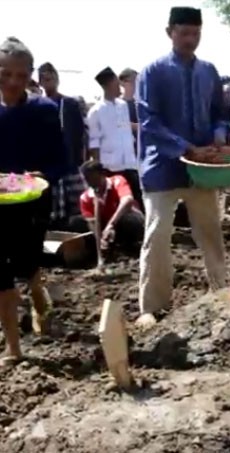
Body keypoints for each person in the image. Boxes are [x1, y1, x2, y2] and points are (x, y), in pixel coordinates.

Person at [136, 6, 228, 326]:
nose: (191, 39)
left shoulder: (209, 72)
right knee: (157, 234)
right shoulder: (153, 72)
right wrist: (187, 148)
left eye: (196, 33)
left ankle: (222, 293)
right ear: (170, 32)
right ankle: (152, 306)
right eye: (184, 33)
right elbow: (149, 122)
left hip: (202, 169)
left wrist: (218, 135)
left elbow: (220, 113)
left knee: (211, 231)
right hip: (161, 167)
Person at [0, 37, 71, 363]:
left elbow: (61, 160)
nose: (13, 82)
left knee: (25, 262)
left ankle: (36, 285)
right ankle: (13, 347)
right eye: (5, 74)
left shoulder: (43, 111)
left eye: (20, 75)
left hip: (32, 202)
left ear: (30, 76)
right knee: (2, 274)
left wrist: (41, 176)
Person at [38, 62, 86, 230]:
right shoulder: (37, 105)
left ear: (57, 80)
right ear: (40, 82)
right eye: (45, 79)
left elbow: (80, 133)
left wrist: (80, 158)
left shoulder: (70, 103)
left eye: (52, 78)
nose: (49, 82)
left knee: (78, 208)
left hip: (70, 164)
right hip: (48, 167)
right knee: (53, 212)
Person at [86, 67, 142, 207]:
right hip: (110, 167)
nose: (119, 86)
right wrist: (98, 170)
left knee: (137, 201)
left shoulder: (122, 106)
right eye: (116, 83)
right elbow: (94, 143)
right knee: (114, 204)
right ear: (108, 85)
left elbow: (126, 131)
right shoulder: (96, 111)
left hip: (130, 164)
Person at [77, 161, 144, 251]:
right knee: (77, 223)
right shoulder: (85, 198)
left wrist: (111, 224)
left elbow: (127, 200)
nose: (92, 183)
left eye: (95, 179)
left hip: (123, 221)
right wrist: (100, 239)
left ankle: (133, 246)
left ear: (103, 174)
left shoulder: (117, 181)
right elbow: (92, 222)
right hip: (106, 227)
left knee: (129, 219)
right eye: (88, 180)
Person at [119, 68, 139, 148]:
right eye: (133, 81)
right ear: (122, 83)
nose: (135, 84)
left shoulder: (140, 104)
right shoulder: (116, 105)